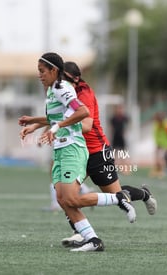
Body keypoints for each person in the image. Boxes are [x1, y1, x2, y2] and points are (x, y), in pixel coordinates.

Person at [19, 52, 136, 252]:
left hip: (73, 148)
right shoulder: (53, 90)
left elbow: (83, 112)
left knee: (71, 198)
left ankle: (119, 197)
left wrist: (55, 128)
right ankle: (92, 240)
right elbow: (58, 117)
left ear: (54, 70)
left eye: (42, 71)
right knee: (63, 199)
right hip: (61, 149)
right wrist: (34, 123)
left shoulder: (62, 88)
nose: (39, 75)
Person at [57, 61, 157, 247]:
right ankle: (80, 232)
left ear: (74, 79)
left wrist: (60, 125)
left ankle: (144, 194)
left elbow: (86, 126)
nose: (59, 83)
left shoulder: (83, 94)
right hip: (76, 152)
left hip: (96, 151)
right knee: (64, 194)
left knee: (117, 195)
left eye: (62, 79)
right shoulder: (62, 93)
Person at [151, 112, 167, 178]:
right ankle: (159, 170)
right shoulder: (157, 124)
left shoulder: (166, 123)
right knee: (159, 157)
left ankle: (164, 170)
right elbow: (156, 134)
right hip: (160, 143)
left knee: (163, 157)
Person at [109, 104, 130, 173]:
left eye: (120, 109)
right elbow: (111, 128)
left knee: (123, 153)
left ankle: (124, 168)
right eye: (118, 109)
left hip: (121, 137)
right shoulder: (113, 118)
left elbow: (128, 124)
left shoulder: (124, 118)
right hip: (115, 137)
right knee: (115, 153)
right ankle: (115, 167)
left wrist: (125, 132)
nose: (119, 110)